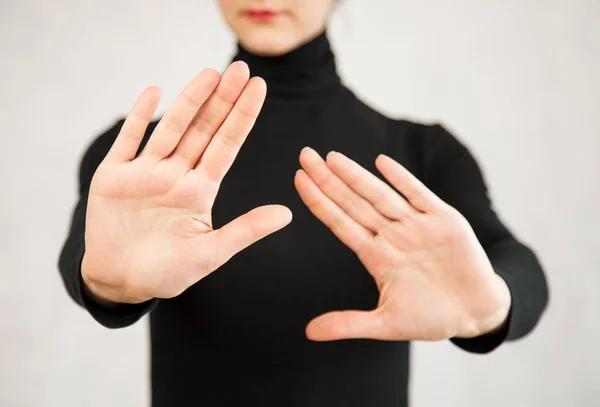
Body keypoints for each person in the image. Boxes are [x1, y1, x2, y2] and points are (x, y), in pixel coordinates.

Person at [58, 1, 549, 406]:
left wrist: (490, 306)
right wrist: (105, 283)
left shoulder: (422, 152)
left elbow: (514, 262)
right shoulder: (141, 160)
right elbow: (83, 259)